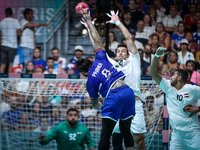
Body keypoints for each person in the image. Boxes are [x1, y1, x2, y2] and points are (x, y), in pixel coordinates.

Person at [78, 9, 135, 150]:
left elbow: (94, 105)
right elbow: (97, 40)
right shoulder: (100, 58)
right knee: (126, 131)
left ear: (83, 72)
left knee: (105, 136)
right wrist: (89, 22)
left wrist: (100, 103)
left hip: (113, 96)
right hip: (128, 92)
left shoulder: (90, 82)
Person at [105, 11, 146, 150]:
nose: (121, 52)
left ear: (128, 53)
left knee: (139, 141)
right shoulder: (112, 64)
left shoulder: (133, 60)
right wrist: (89, 27)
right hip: (118, 104)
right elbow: (97, 46)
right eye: (118, 51)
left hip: (135, 103)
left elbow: (128, 37)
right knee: (116, 139)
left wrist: (117, 22)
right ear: (116, 54)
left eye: (123, 51)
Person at [150, 46, 200, 150]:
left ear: (179, 77)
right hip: (177, 135)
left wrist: (198, 109)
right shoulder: (168, 86)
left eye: (173, 75)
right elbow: (153, 73)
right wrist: (157, 55)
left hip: (193, 134)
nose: (171, 76)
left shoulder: (192, 89)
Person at [0, 7, 21, 73]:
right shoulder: (15, 21)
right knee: (10, 64)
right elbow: (19, 33)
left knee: (2, 65)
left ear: (5, 13)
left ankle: (0, 81)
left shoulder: (1, 22)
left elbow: (0, 35)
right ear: (12, 13)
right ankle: (9, 82)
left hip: (3, 45)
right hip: (12, 46)